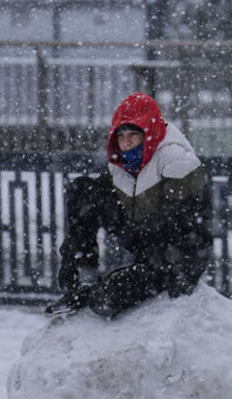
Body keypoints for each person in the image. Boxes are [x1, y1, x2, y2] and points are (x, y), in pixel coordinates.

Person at [48, 92, 212, 318]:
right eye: (121, 135)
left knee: (106, 302)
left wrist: (167, 276)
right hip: (147, 245)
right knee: (82, 190)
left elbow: (181, 227)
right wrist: (71, 258)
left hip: (178, 258)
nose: (125, 143)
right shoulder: (121, 162)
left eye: (133, 135)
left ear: (149, 133)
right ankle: (85, 278)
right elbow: (93, 202)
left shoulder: (176, 160)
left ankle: (111, 287)